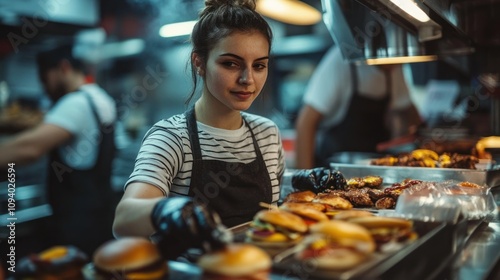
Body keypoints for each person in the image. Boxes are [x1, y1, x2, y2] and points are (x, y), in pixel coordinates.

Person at [112, 0, 285, 256]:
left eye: (259, 65)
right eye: (231, 64)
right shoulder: (171, 137)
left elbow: (274, 214)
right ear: (199, 62)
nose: (248, 79)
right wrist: (164, 210)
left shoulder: (267, 133)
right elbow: (123, 221)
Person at [0, 44, 117, 256]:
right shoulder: (100, 98)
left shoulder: (75, 103)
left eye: (45, 79)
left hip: (75, 229)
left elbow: (29, 149)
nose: (44, 88)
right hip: (100, 220)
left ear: (63, 68)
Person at [294, 45, 422, 168]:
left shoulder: (394, 65)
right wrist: (305, 179)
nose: (399, 64)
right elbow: (305, 123)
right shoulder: (343, 58)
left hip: (375, 169)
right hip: (335, 169)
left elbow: (408, 109)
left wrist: (421, 136)